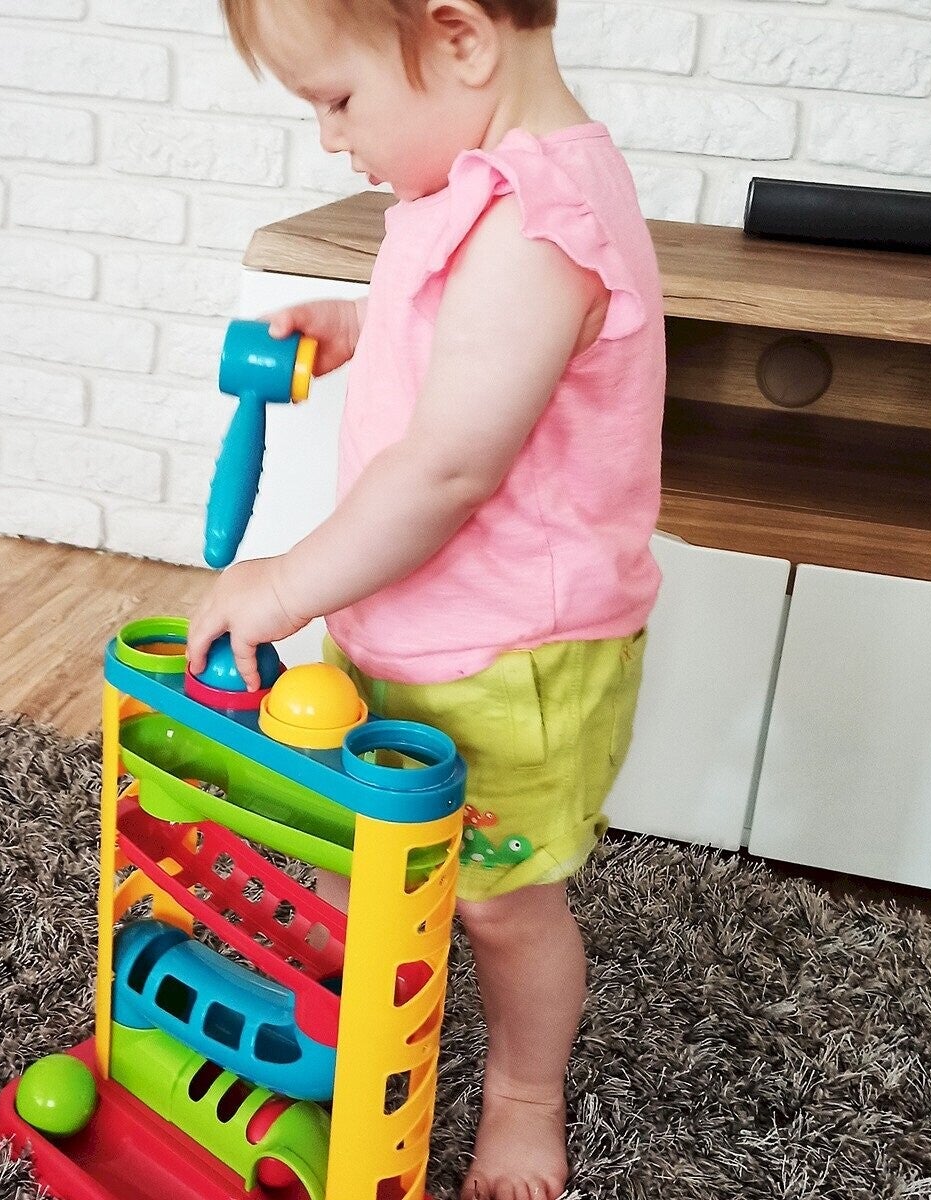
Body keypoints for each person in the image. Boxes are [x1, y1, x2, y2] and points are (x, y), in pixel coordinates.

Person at [188, 2, 665, 1196]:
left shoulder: (539, 224)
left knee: (502, 906)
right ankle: (351, 1027)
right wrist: (364, 325)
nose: (330, 138)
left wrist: (285, 581)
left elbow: (452, 467)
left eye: (338, 100)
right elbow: (470, 343)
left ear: (459, 38)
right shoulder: (473, 189)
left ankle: (523, 1094)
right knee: (372, 853)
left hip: (511, 656)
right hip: (412, 621)